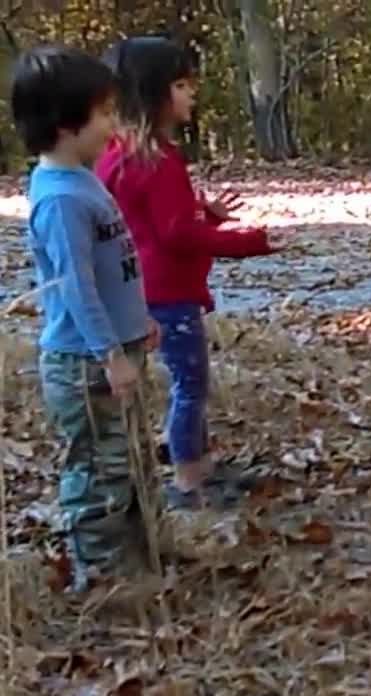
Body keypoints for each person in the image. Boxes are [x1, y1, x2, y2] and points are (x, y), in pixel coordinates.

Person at [96, 35, 277, 510]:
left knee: (188, 379)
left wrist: (209, 216)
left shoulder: (118, 155)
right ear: (153, 92)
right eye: (180, 84)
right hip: (166, 292)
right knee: (190, 382)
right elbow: (176, 236)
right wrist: (248, 242)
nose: (191, 94)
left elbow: (155, 225)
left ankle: (199, 463)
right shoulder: (158, 161)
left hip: (143, 287)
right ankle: (189, 479)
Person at [11, 45, 160, 593]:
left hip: (117, 350)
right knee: (99, 470)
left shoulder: (83, 179)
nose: (112, 124)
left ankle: (139, 556)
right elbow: (76, 287)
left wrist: (137, 322)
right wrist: (109, 353)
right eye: (102, 113)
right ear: (64, 122)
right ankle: (99, 578)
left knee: (130, 460)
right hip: (86, 363)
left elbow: (113, 266)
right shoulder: (60, 200)